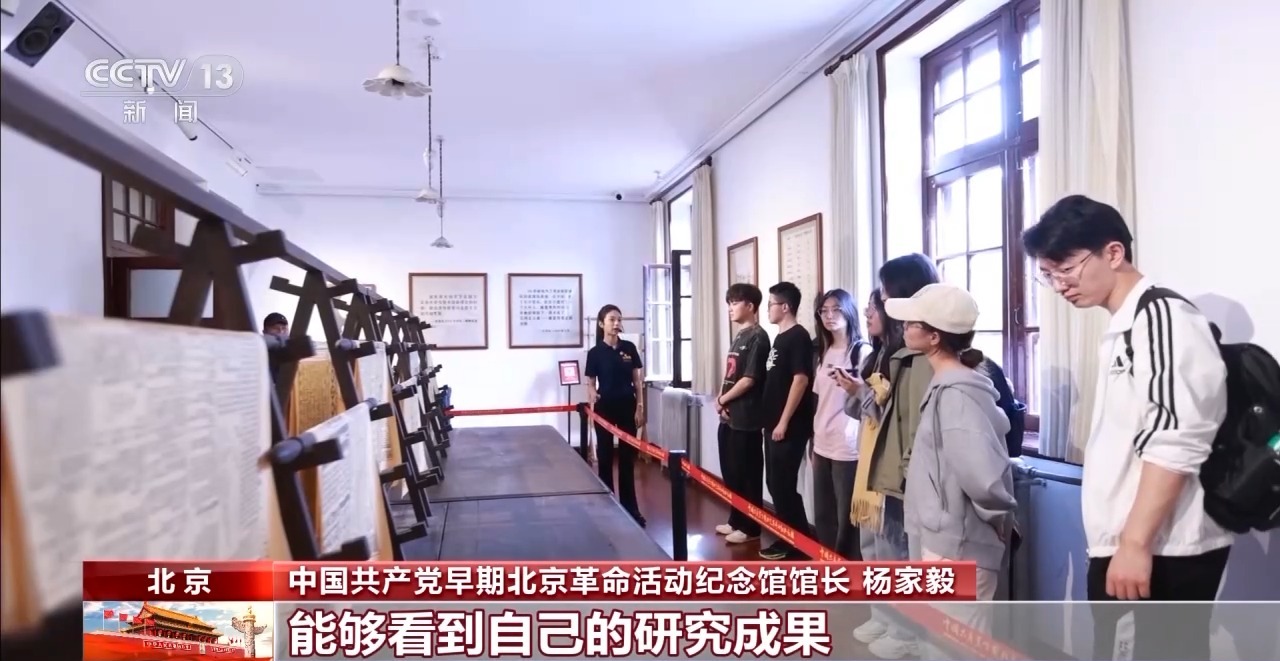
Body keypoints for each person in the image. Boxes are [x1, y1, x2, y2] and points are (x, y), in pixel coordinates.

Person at [1023, 195, 1231, 661]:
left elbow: (1175, 438)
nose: (1059, 285)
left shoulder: (1161, 316)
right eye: (1048, 275)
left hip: (1161, 548)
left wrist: (1135, 544)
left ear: (1113, 253)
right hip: (1136, 543)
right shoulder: (1127, 323)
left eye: (1066, 269)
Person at [884, 283, 1017, 653]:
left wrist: (997, 518)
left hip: (958, 544)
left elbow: (983, 475)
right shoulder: (946, 384)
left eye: (913, 322)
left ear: (934, 337)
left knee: (955, 647)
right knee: (944, 644)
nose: (904, 327)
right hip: (945, 538)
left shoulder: (957, 393)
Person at [836, 253, 939, 660]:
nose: (870, 309)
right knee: (874, 548)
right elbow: (869, 414)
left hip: (896, 473)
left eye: (879, 299)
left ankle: (905, 629)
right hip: (872, 466)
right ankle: (883, 615)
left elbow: (901, 420)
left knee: (897, 554)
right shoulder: (879, 354)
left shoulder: (916, 359)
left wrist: (863, 394)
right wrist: (857, 392)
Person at [810, 288, 871, 560]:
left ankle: (848, 572)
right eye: (824, 311)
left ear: (849, 312)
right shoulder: (823, 352)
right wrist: (813, 439)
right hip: (822, 441)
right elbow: (818, 398)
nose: (829, 316)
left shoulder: (862, 352)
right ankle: (829, 565)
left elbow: (872, 399)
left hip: (848, 445)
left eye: (836, 309)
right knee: (823, 514)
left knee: (847, 518)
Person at [758, 282, 816, 560]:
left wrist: (783, 422)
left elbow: (800, 380)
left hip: (789, 427)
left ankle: (798, 545)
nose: (768, 309)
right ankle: (789, 538)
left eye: (770, 304)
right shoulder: (779, 337)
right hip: (772, 424)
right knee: (775, 484)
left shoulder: (798, 337)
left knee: (783, 485)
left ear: (785, 307)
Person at [714, 283, 770, 545]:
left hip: (747, 419)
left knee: (748, 475)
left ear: (750, 306)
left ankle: (751, 527)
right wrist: (721, 399)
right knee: (732, 473)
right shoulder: (739, 335)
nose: (730, 308)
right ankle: (735, 519)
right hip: (729, 416)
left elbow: (749, 379)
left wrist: (723, 399)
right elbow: (730, 374)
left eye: (735, 303)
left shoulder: (758, 337)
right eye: (729, 303)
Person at [585, 304, 646, 527]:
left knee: (627, 460)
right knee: (605, 457)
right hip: (605, 409)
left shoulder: (629, 348)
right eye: (612, 319)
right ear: (602, 323)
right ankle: (607, 508)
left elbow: (637, 382)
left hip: (627, 406)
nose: (617, 323)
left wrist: (640, 407)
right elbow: (590, 383)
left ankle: (631, 509)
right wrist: (592, 394)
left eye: (619, 319)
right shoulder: (595, 353)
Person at [262, 312, 289, 383]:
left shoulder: (291, 346)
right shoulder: (259, 347)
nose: (281, 332)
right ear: (264, 332)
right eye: (275, 328)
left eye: (284, 328)